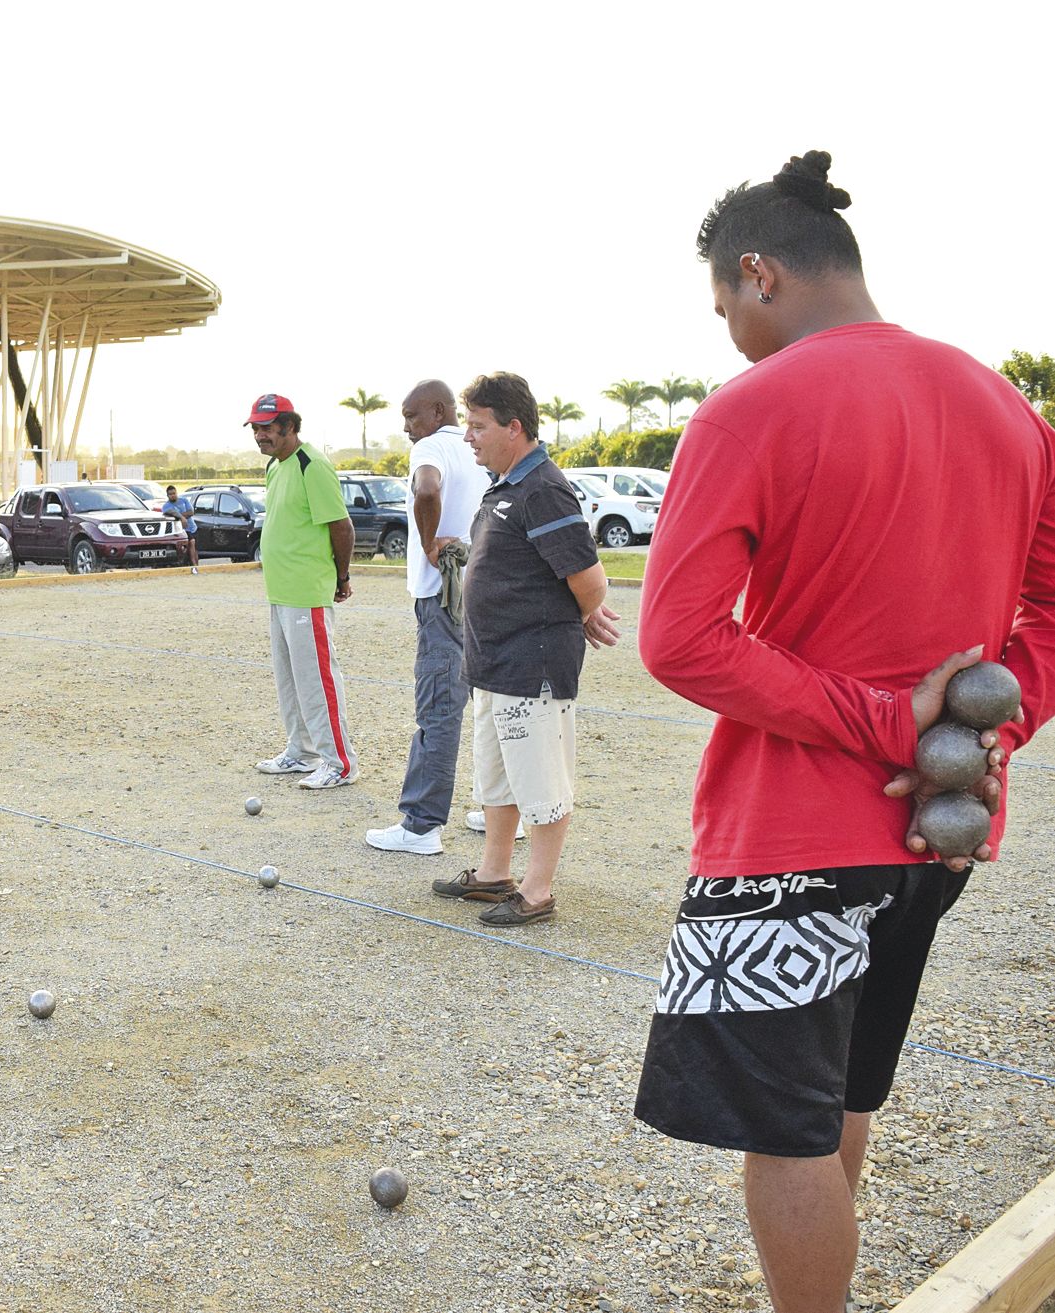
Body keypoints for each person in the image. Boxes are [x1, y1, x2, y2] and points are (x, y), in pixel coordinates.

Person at [633, 151, 1054, 1313]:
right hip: (938, 829)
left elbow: (677, 638)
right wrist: (992, 710)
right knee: (836, 1104)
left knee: (785, 1131)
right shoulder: (1006, 406)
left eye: (725, 307)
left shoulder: (750, 407)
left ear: (758, 272)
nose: (729, 334)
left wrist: (878, 718)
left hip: (791, 843)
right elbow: (1050, 604)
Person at [430, 372, 618, 925]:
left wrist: (581, 612)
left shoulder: (543, 487)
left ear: (514, 427)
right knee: (498, 777)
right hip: (493, 665)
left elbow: (590, 578)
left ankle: (537, 892)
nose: (469, 436)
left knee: (540, 780)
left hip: (532, 665)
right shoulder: (508, 482)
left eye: (478, 425)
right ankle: (494, 873)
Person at [365, 380, 491, 855]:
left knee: (439, 703)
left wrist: (427, 542)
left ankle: (421, 824)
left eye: (410, 416)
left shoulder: (433, 449)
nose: (405, 427)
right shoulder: (478, 448)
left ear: (437, 411)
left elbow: (427, 489)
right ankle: (501, 810)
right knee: (492, 703)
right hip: (483, 591)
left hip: (443, 596)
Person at [246, 392, 359, 790]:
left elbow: (341, 526)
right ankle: (302, 751)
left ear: (290, 426)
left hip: (307, 592)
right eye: (256, 428)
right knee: (290, 679)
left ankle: (339, 763)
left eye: (268, 428)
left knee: (317, 679)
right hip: (280, 592)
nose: (261, 435)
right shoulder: (277, 467)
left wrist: (341, 577)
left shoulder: (313, 464)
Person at [161, 484, 199, 572]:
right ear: (167, 495)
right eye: (170, 494)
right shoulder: (166, 506)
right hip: (182, 530)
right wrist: (182, 518)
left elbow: (191, 512)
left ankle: (196, 567)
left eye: (174, 493)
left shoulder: (184, 500)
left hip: (192, 528)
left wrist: (180, 517)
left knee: (194, 548)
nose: (172, 495)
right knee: (191, 543)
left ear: (176, 493)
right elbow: (171, 512)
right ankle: (194, 566)